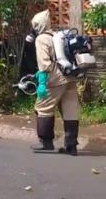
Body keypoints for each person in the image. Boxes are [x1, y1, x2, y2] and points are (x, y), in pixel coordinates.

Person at [29, 10, 81, 156]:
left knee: (43, 107)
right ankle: (71, 146)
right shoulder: (59, 35)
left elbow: (44, 64)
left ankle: (46, 143)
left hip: (55, 78)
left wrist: (42, 83)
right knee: (70, 109)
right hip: (70, 76)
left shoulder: (42, 39)